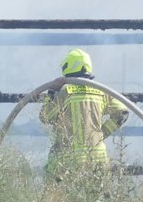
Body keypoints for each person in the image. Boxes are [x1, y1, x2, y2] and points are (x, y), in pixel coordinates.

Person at [40, 49, 129, 177]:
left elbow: (45, 117)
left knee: (58, 196)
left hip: (69, 161)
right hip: (98, 160)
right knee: (96, 196)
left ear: (68, 66)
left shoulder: (65, 91)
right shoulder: (101, 91)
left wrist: (51, 92)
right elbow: (123, 113)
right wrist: (101, 134)